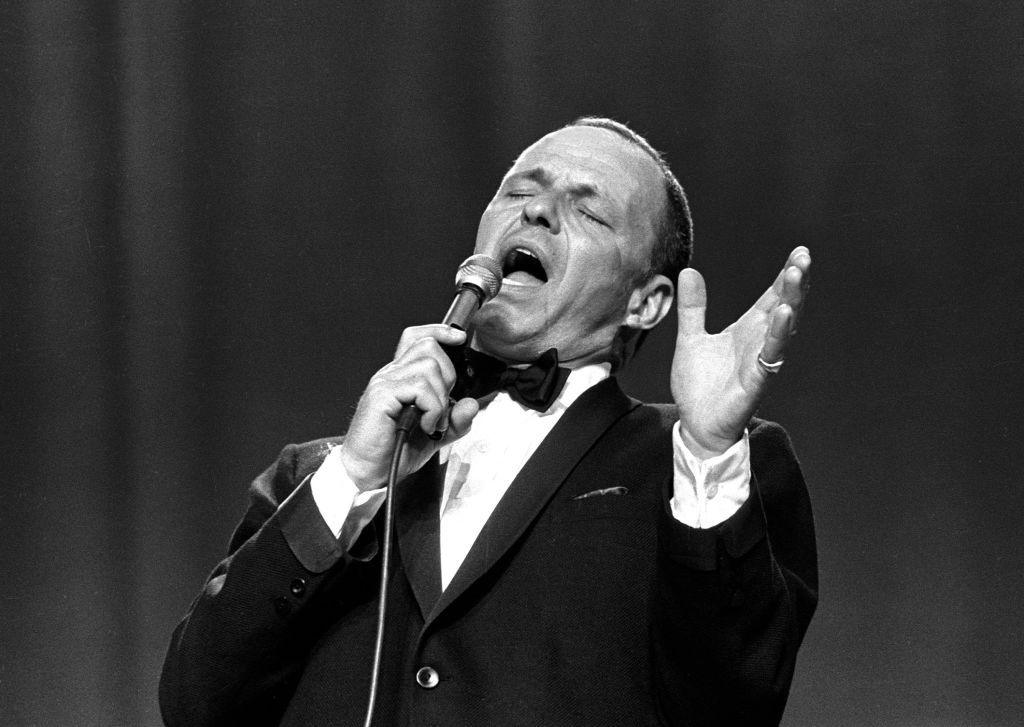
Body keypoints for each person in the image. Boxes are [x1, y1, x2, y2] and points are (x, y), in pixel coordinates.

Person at [159, 117, 817, 726]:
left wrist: (705, 450)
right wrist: (356, 474)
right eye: (518, 191)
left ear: (647, 302)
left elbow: (731, 704)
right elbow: (198, 702)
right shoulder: (314, 478)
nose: (536, 210)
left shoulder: (703, 471)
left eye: (587, 209)